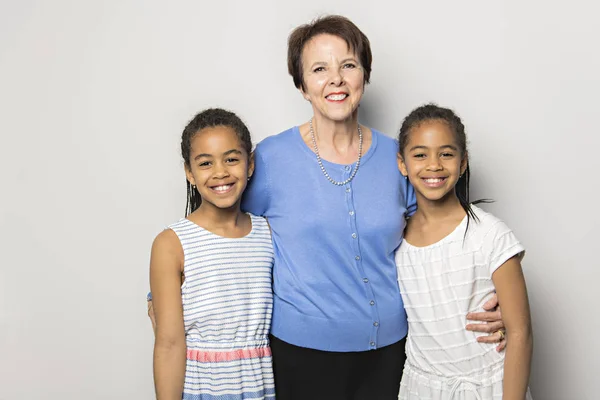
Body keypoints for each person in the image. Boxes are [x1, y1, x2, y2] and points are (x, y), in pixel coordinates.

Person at [149, 15, 507, 400]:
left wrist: (489, 295)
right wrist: (161, 296)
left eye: (348, 65)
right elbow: (219, 223)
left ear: (364, 76)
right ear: (302, 85)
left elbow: (439, 234)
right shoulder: (270, 159)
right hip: (301, 356)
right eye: (319, 69)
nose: (335, 79)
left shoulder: (399, 158)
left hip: (392, 352)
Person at [395, 104, 533, 399]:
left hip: (486, 388)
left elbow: (520, 332)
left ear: (463, 162)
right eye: (420, 155)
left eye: (446, 153)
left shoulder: (490, 235)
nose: (434, 165)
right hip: (421, 389)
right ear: (402, 164)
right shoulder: (395, 237)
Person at [149, 108, 275, 400]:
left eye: (232, 159)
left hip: (260, 386)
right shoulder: (171, 244)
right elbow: (169, 343)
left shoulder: (267, 233)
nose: (220, 172)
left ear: (250, 164)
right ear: (189, 173)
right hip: (202, 389)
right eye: (206, 163)